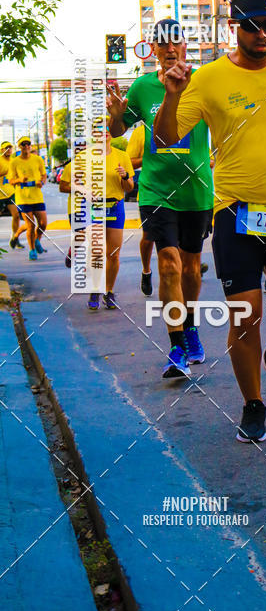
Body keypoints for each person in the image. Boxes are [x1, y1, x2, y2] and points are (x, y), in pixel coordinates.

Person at [153, 0, 266, 442]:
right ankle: (253, 404)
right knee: (245, 314)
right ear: (234, 27)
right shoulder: (208, 78)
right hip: (234, 212)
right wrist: (172, 95)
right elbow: (166, 137)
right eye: (252, 26)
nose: (261, 34)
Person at [107, 19, 214, 378]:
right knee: (168, 263)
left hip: (196, 189)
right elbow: (119, 129)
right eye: (162, 43)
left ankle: (191, 325)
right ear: (152, 49)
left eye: (175, 41)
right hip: (155, 190)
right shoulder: (142, 87)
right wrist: (115, 118)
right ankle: (176, 345)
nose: (170, 48)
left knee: (191, 267)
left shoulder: (204, 82)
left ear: (185, 45)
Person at [61, 118, 134, 311]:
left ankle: (109, 292)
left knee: (113, 254)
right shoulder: (83, 157)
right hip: (93, 208)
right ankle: (95, 289)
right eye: (99, 128)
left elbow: (129, 187)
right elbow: (68, 183)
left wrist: (125, 176)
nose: (104, 131)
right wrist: (83, 190)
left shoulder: (122, 156)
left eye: (107, 128)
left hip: (115, 206)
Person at [126, 122, 155, 296]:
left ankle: (188, 266)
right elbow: (129, 162)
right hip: (150, 192)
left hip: (180, 191)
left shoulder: (184, 123)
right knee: (149, 236)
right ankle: (146, 270)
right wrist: (150, 157)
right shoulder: (141, 131)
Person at [8, 136, 47, 260]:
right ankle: (32, 250)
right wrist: (20, 180)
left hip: (37, 196)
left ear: (30, 145)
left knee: (43, 224)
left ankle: (35, 240)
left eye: (28, 144)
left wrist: (42, 182)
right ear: (19, 147)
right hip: (23, 197)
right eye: (23, 144)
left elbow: (44, 174)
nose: (26, 146)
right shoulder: (14, 162)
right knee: (30, 225)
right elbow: (10, 180)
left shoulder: (38, 159)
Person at [0, 142, 27, 249]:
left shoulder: (13, 161)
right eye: (6, 148)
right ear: (2, 150)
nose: (9, 150)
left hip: (11, 193)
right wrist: (4, 172)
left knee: (16, 215)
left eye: (10, 148)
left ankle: (15, 238)